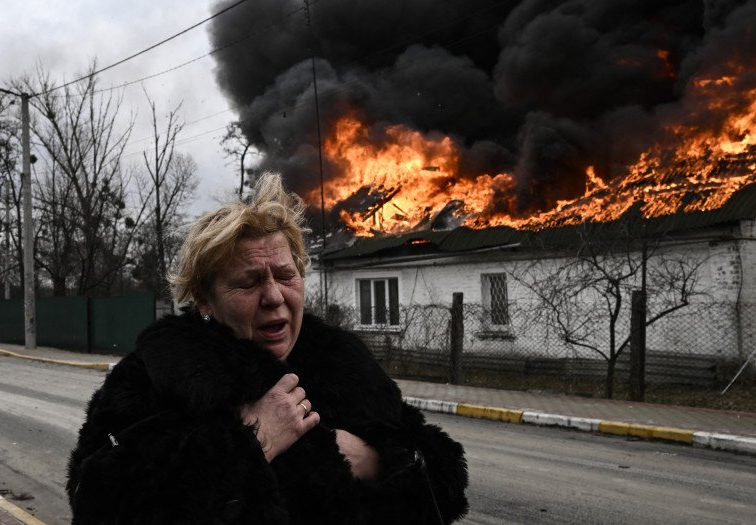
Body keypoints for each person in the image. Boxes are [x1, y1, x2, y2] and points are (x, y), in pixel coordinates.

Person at [67, 174, 469, 524]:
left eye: (285, 275)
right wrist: (252, 444)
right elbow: (96, 501)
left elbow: (444, 478)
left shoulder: (345, 368)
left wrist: (379, 461)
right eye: (249, 282)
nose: (274, 296)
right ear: (204, 300)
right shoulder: (155, 378)